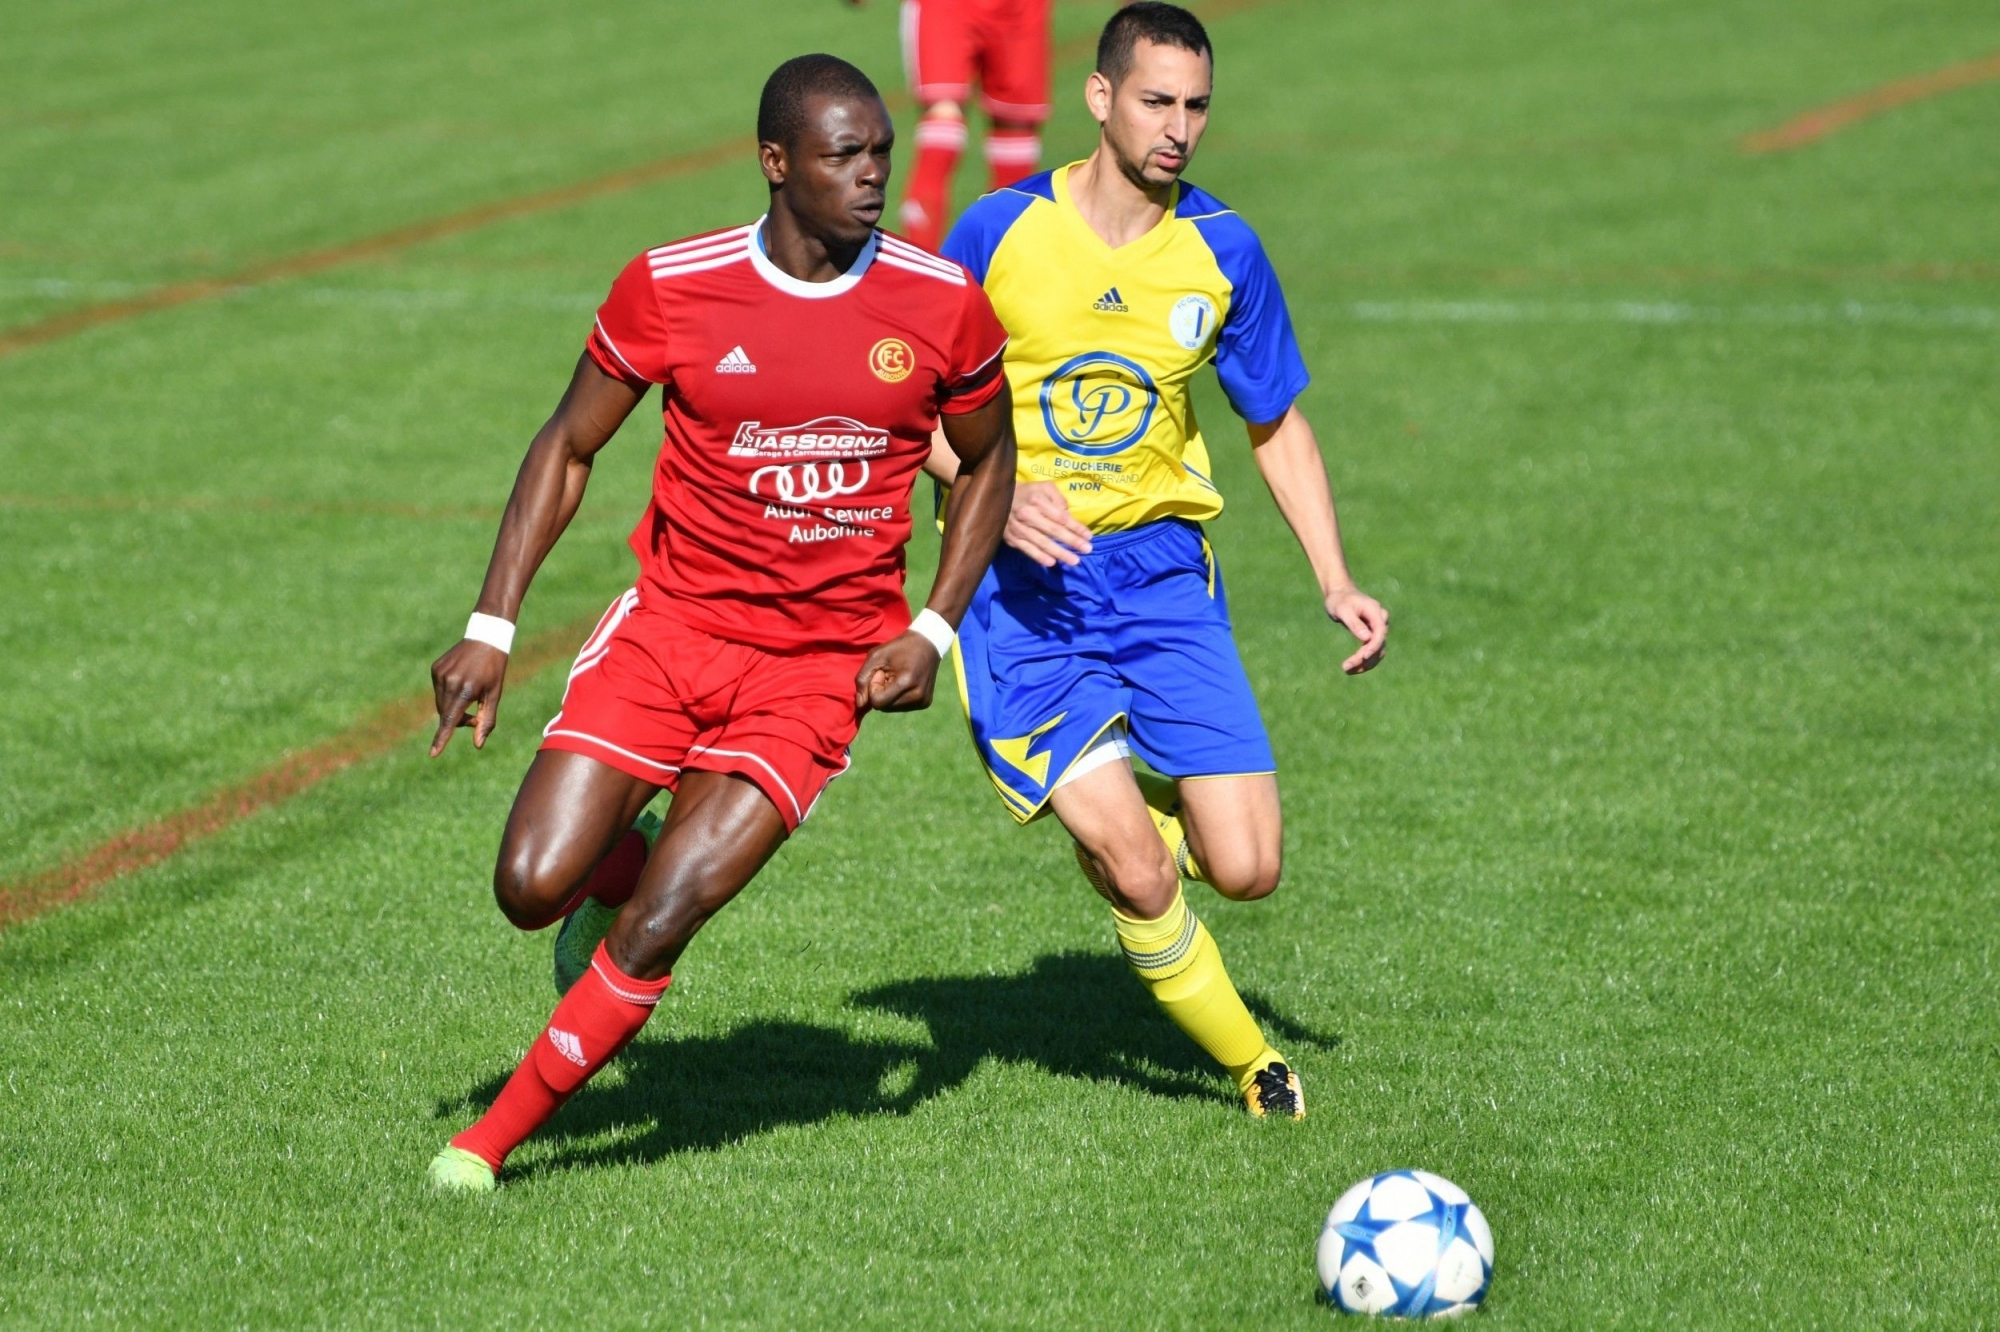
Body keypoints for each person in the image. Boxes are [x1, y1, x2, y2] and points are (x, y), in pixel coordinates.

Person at [423, 54, 1016, 1192]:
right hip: (668, 635)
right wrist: (490, 628)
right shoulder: (673, 285)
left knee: (659, 925)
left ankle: (485, 1148)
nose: (874, 177)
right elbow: (568, 444)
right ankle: (617, 861)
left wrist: (933, 630)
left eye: (882, 152)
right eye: (846, 155)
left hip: (815, 674)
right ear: (776, 163)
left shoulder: (938, 302)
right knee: (529, 885)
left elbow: (990, 465)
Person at [923, 3, 1389, 1120]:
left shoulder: (1222, 248)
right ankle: (1252, 1065)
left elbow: (1274, 423)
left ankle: (1106, 783)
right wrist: (990, 488)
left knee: (1245, 870)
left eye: (1194, 106)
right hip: (1020, 592)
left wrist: (1333, 576)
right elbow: (907, 409)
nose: (1177, 127)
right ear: (1098, 99)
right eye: (1154, 101)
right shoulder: (994, 233)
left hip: (1163, 578)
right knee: (1134, 866)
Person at [846, 0, 1053, 250]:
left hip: (1022, 8)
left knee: (1016, 129)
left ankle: (1003, 268)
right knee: (943, 122)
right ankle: (921, 271)